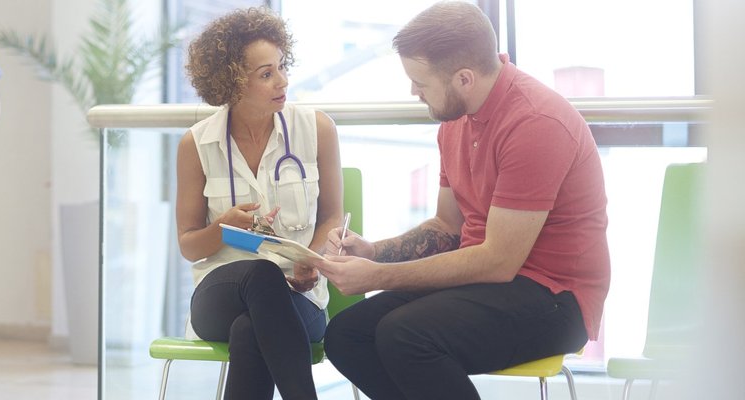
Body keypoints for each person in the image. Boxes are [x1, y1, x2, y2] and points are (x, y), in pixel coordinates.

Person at [310, 2, 609, 399]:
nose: (413, 91)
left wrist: (376, 277)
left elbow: (499, 262)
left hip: (556, 299)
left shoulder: (536, 124)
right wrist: (373, 252)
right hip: (487, 283)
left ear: (464, 78)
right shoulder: (455, 120)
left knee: (406, 335)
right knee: (347, 336)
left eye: (421, 81)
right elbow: (448, 226)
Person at [176, 7, 344, 400]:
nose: (282, 81)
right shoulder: (197, 145)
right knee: (261, 275)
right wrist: (224, 227)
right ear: (231, 83)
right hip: (219, 296)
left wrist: (312, 260)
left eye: (282, 66)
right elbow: (188, 244)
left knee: (250, 330)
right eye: (266, 74)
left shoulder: (316, 129)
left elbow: (333, 215)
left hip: (301, 299)